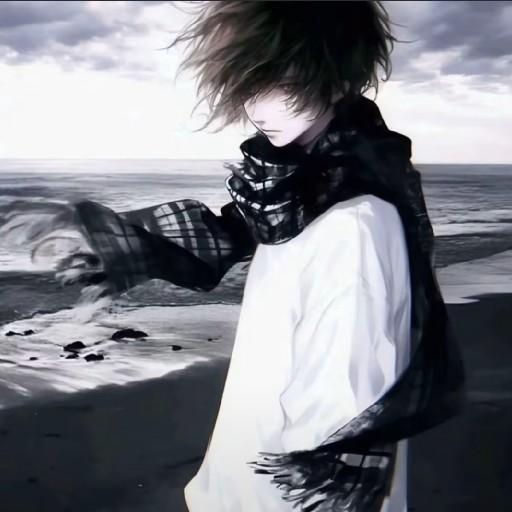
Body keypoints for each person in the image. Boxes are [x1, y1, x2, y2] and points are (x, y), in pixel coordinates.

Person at [0, 2, 466, 511]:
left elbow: (345, 401)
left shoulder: (353, 222)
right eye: (250, 85)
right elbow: (227, 234)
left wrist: (310, 484)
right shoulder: (296, 196)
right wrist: (115, 250)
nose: (258, 108)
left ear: (335, 79)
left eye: (281, 84)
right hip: (249, 477)